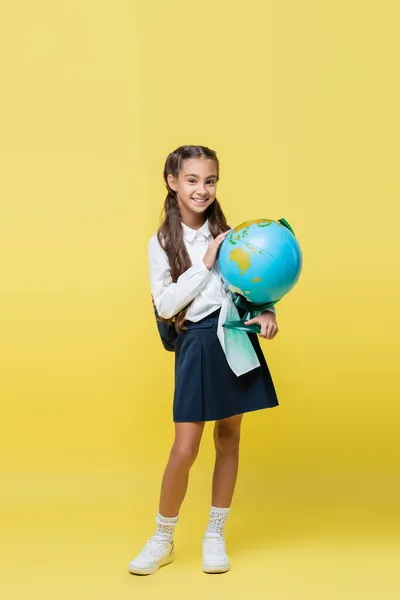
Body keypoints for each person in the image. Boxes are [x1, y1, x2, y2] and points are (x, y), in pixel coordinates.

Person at [128, 145, 279, 576]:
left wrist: (267, 311)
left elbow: (255, 283)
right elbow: (166, 304)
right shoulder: (161, 243)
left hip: (233, 340)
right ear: (173, 182)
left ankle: (215, 533)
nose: (201, 189)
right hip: (195, 344)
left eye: (209, 180)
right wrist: (204, 264)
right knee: (185, 447)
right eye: (192, 180)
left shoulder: (234, 235)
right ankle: (163, 537)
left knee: (228, 439)